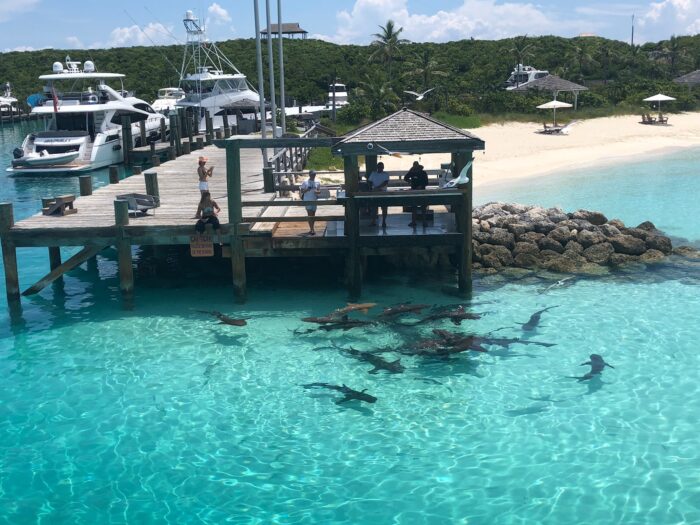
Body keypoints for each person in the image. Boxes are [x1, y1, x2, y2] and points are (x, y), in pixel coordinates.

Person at [403, 161, 429, 227]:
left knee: (423, 207)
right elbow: (405, 178)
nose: (415, 168)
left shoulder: (423, 173)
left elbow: (426, 182)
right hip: (414, 192)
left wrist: (421, 186)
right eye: (414, 167)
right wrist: (410, 181)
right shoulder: (412, 172)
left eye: (416, 167)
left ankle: (424, 222)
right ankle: (413, 222)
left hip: (422, 192)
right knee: (414, 207)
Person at [368, 161, 389, 228]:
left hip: (383, 192)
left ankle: (384, 221)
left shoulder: (386, 174)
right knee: (374, 208)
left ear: (383, 167)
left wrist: (378, 188)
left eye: (381, 167)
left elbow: (385, 182)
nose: (380, 168)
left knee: (384, 208)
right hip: (374, 193)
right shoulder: (373, 174)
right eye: (379, 167)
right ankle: (373, 221)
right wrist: (371, 188)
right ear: (377, 167)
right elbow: (370, 182)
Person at [300, 169, 321, 235]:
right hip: (307, 200)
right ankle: (312, 229)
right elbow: (302, 191)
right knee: (310, 215)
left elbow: (319, 191)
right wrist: (307, 189)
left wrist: (316, 192)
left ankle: (312, 228)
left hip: (314, 200)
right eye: (312, 175)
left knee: (313, 215)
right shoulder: (305, 182)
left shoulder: (317, 182)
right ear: (309, 175)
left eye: (314, 175)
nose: (313, 176)